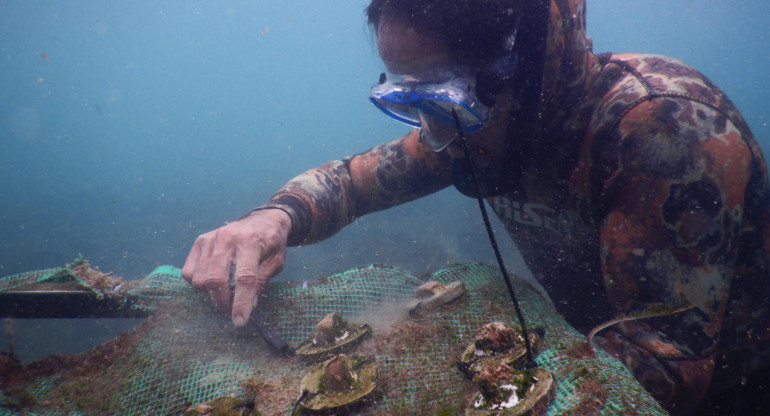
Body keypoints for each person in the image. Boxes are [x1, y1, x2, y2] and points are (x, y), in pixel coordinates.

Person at [182, 0, 770, 414]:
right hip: (592, 356)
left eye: (442, 100)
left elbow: (667, 371)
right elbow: (350, 183)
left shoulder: (663, 131)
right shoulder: (481, 126)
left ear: (524, 68)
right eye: (407, 100)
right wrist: (272, 218)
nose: (432, 135)